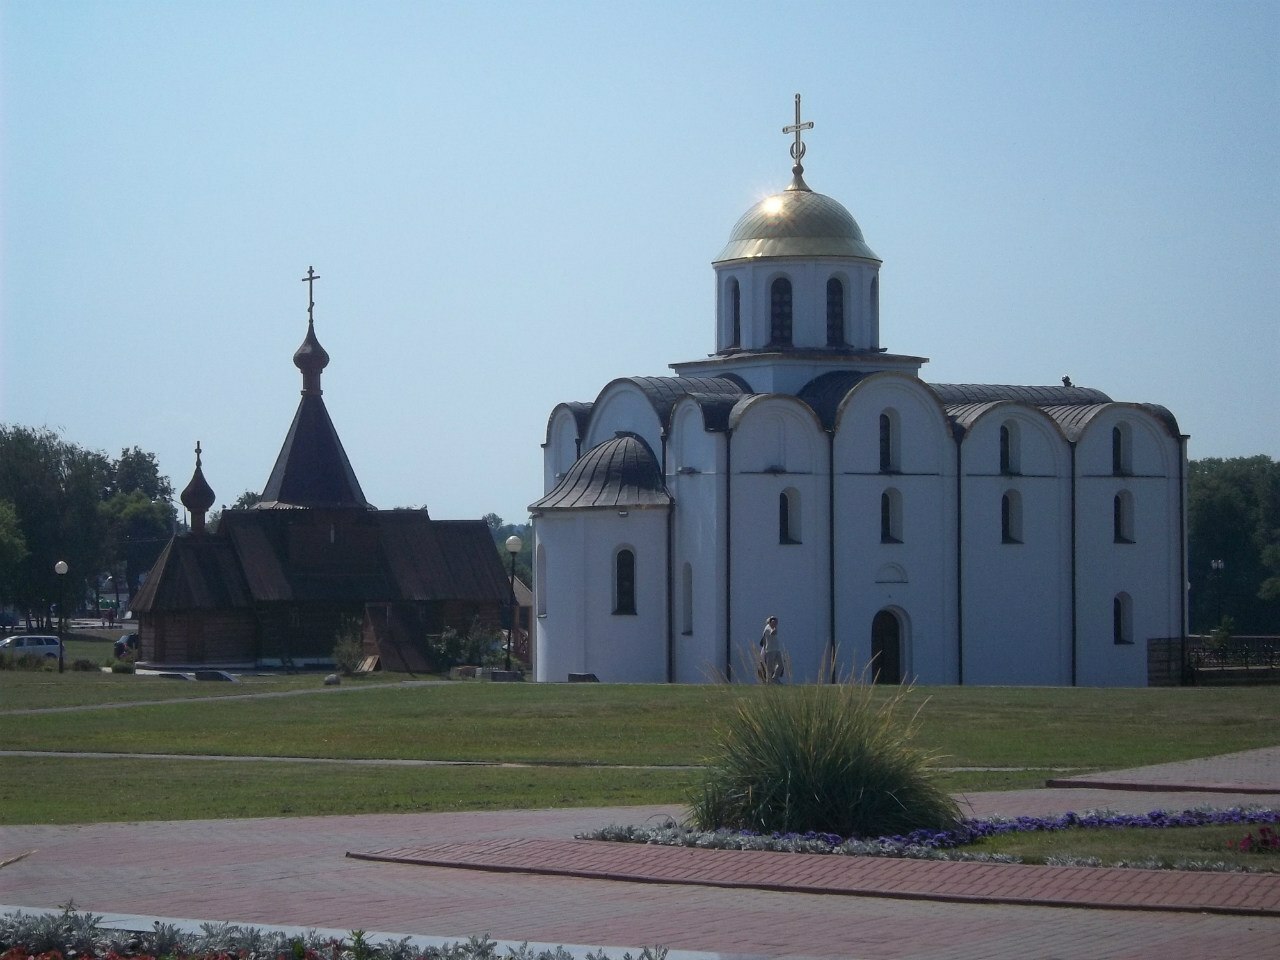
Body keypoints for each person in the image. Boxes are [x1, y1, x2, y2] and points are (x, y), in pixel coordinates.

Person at [759, 615, 783, 683]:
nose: (775, 622)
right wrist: (775, 627)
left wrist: (775, 626)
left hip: (776, 649)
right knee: (769, 668)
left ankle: (774, 679)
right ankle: (769, 681)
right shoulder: (768, 628)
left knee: (780, 665)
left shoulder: (773, 627)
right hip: (770, 650)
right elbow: (773, 633)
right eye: (773, 621)